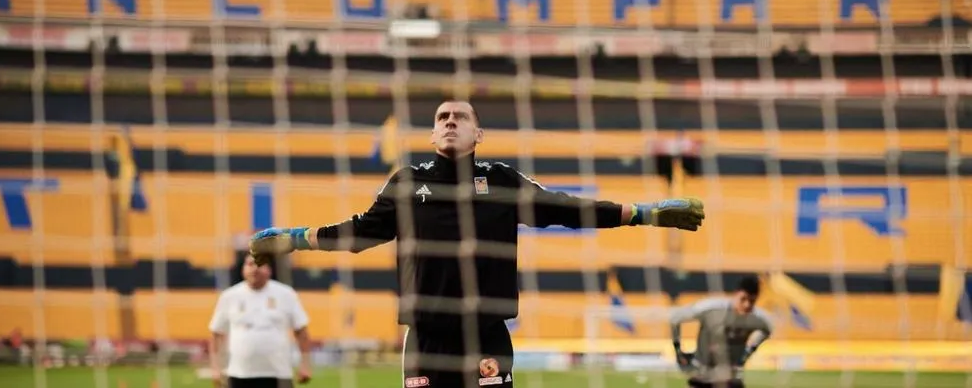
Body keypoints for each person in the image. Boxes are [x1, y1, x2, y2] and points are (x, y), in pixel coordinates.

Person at [250, 100, 706, 388]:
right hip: (426, 334)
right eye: (442, 118)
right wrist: (294, 240)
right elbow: (357, 233)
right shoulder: (407, 183)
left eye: (460, 117)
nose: (450, 122)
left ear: (478, 135)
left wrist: (643, 214)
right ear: (432, 135)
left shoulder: (502, 180)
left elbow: (565, 208)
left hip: (486, 330)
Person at [209, 254, 312, 388]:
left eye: (260, 264)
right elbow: (216, 334)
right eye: (250, 264)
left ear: (269, 269)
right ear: (243, 269)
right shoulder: (229, 296)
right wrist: (216, 368)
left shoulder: (286, 294)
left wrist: (305, 365)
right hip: (239, 374)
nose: (254, 269)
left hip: (279, 374)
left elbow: (301, 332)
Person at [669, 275, 774, 388]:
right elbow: (675, 319)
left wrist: (750, 350)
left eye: (752, 301)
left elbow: (767, 330)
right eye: (743, 299)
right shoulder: (711, 309)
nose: (747, 305)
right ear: (735, 294)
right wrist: (678, 350)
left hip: (730, 376)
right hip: (702, 374)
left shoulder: (757, 319)